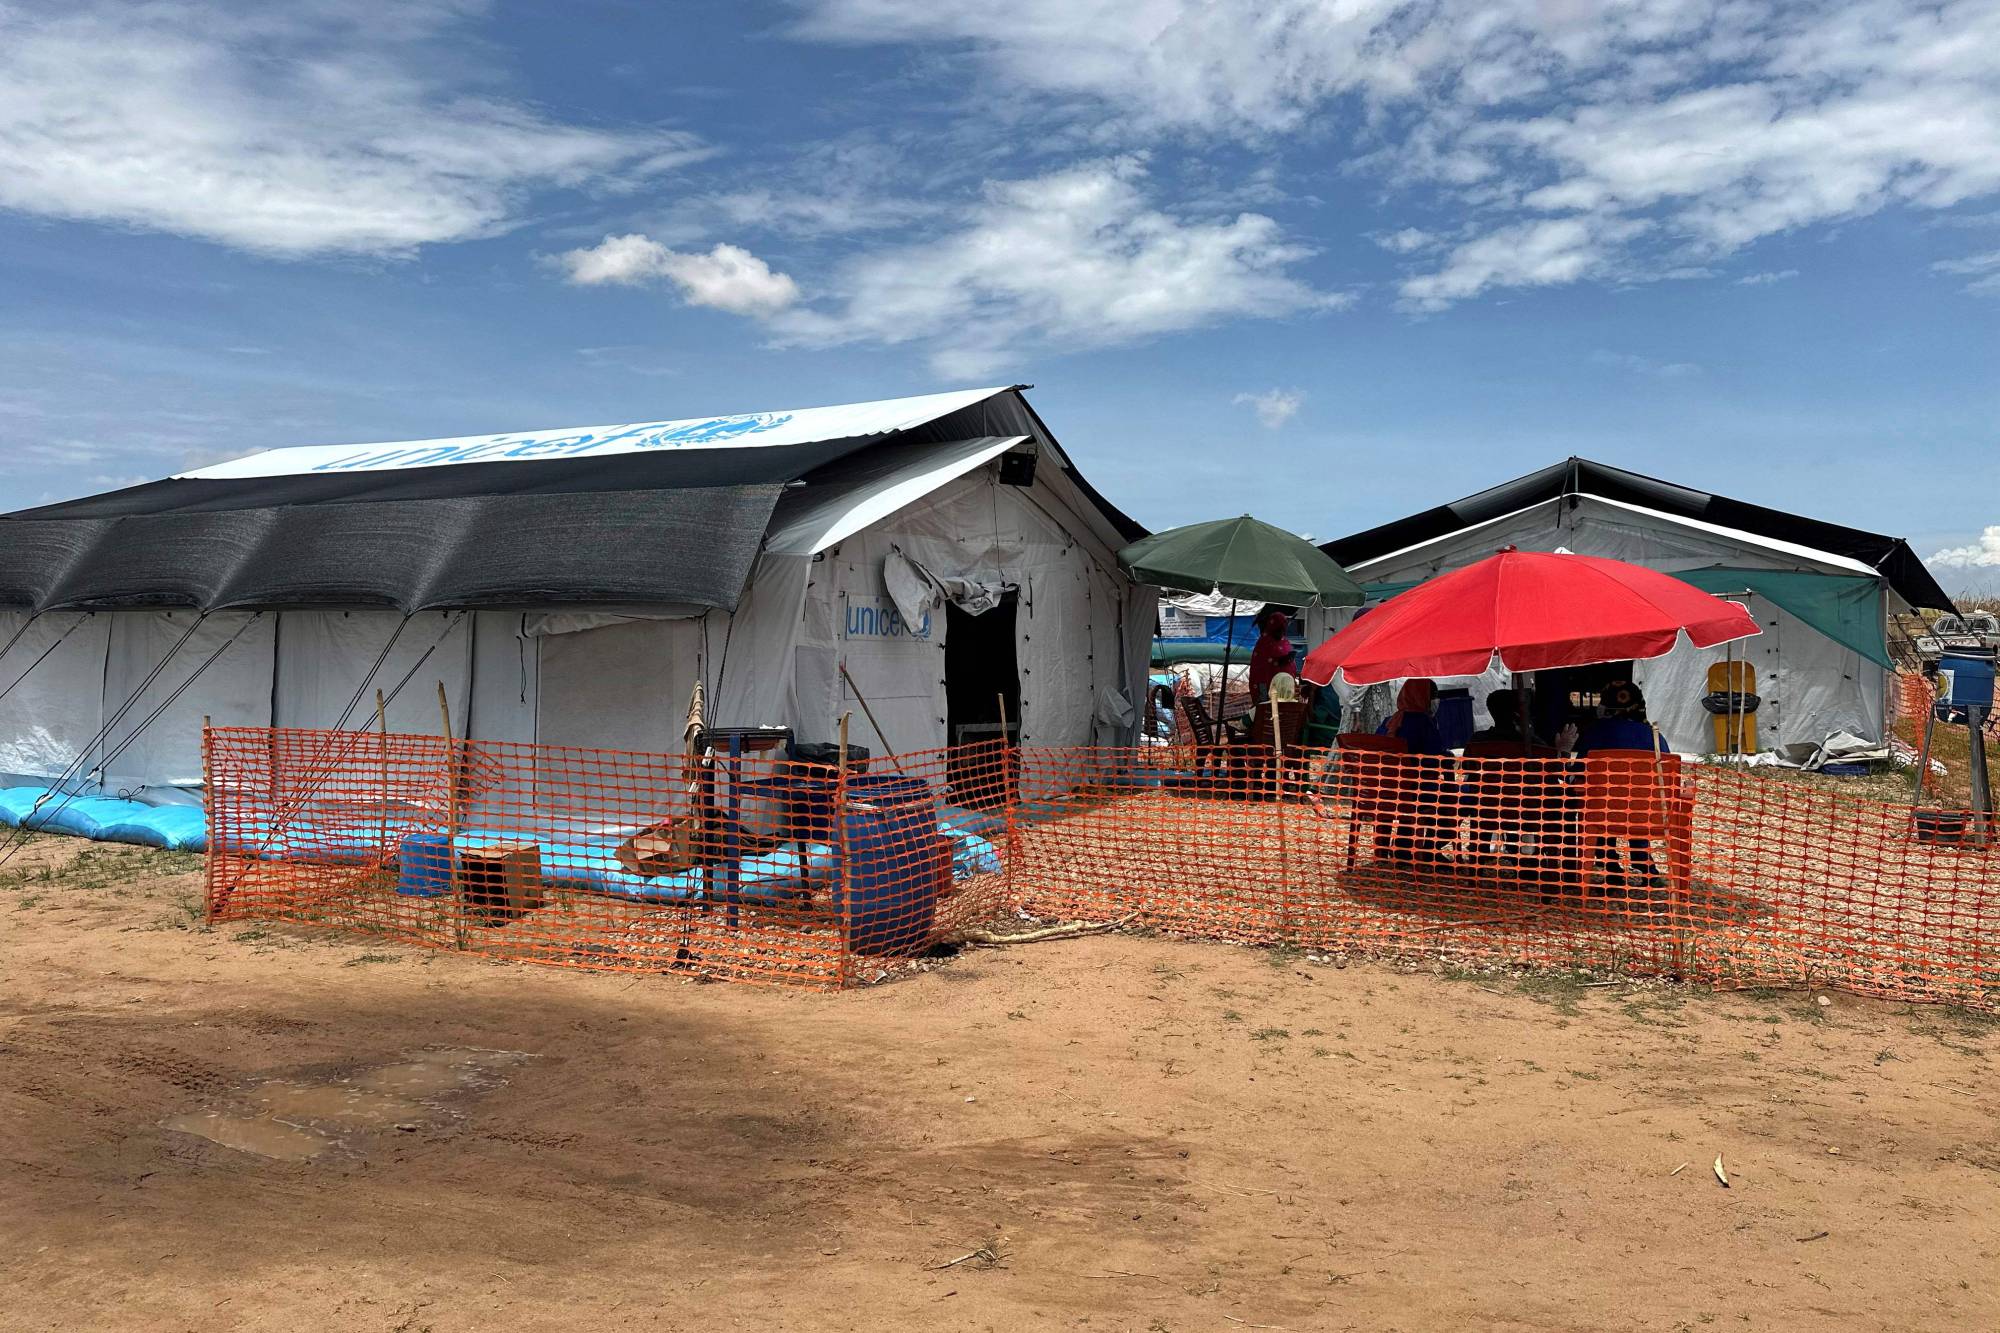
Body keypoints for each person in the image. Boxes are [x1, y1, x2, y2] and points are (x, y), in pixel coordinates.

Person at [1246, 610, 1298, 705]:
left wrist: (1288, 660)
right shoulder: (1264, 643)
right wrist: (1278, 662)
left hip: (1283, 688)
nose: (1281, 633)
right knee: (1264, 709)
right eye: (1278, 630)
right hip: (1264, 685)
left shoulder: (1284, 642)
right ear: (1272, 627)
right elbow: (1261, 666)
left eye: (1283, 630)